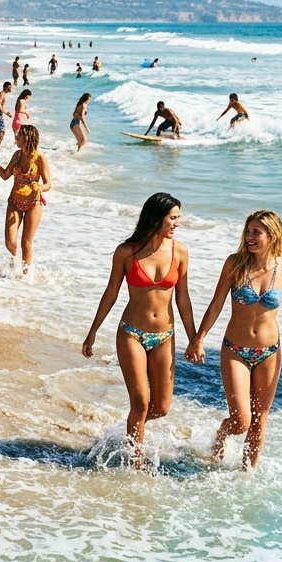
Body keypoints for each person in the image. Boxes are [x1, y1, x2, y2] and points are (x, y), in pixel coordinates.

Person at [80, 193, 197, 469]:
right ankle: (137, 464)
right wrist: (93, 331)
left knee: (161, 408)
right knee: (141, 403)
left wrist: (195, 339)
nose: (177, 223)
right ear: (156, 218)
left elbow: (183, 298)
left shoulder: (179, 251)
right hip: (131, 333)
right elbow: (111, 293)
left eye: (178, 217)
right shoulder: (126, 251)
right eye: (173, 218)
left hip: (165, 336)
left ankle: (128, 429)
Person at [187, 211, 282, 470]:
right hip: (235, 350)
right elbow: (217, 303)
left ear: (272, 235)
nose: (249, 237)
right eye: (248, 231)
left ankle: (247, 474)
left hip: (269, 352)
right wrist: (199, 338)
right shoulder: (234, 264)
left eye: (256, 232)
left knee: (259, 420)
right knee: (241, 420)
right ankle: (221, 434)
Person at [0, 124, 51, 274]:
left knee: (26, 242)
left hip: (34, 203)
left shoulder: (39, 158)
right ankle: (15, 263)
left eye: (18, 136)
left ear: (26, 138)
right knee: (10, 242)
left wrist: (39, 188)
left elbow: (48, 184)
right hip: (15, 202)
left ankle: (24, 276)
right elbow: (5, 175)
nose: (15, 138)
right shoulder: (17, 155)